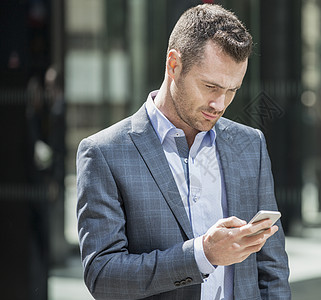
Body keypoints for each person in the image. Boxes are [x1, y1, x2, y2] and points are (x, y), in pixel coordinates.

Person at [76, 4, 291, 299]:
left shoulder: (250, 144)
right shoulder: (105, 153)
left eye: (232, 90)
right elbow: (103, 277)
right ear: (174, 64)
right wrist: (202, 254)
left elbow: (272, 269)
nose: (220, 104)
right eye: (210, 86)